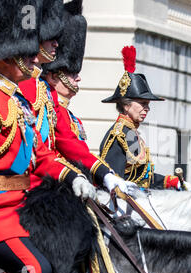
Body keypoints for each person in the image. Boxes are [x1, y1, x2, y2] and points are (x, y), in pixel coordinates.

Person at [0, 0, 97, 273]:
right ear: (9, 52)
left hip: (18, 210)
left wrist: (73, 178)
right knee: (37, 269)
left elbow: (40, 155)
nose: (36, 59)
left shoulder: (16, 100)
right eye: (29, 52)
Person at [19, 0, 135, 195]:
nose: (56, 43)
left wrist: (105, 174)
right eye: (50, 38)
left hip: (48, 180)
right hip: (28, 187)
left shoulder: (45, 92)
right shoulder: (22, 87)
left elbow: (68, 142)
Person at [100, 46, 191, 191]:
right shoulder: (118, 135)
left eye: (148, 104)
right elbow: (113, 181)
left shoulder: (131, 133)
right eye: (143, 104)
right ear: (126, 105)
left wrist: (172, 182)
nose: (147, 109)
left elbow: (143, 178)